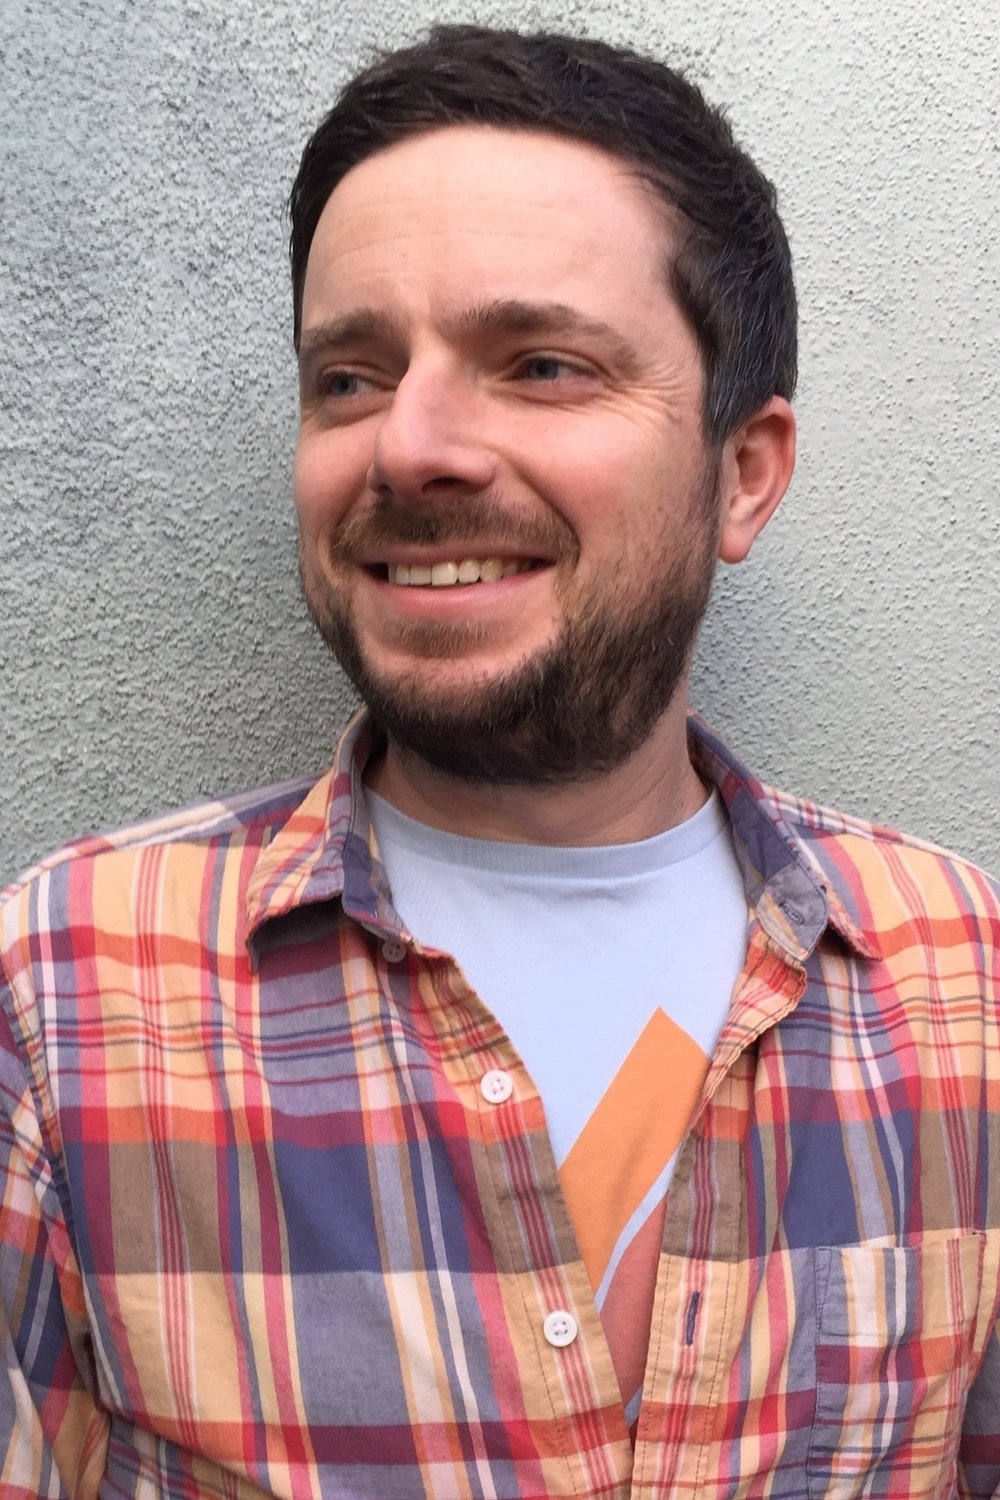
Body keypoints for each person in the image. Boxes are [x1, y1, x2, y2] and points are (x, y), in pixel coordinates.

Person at [1, 22, 997, 1500]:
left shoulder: (964, 984)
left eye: (540, 364)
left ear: (743, 473)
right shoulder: (66, 992)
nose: (409, 446)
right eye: (350, 377)